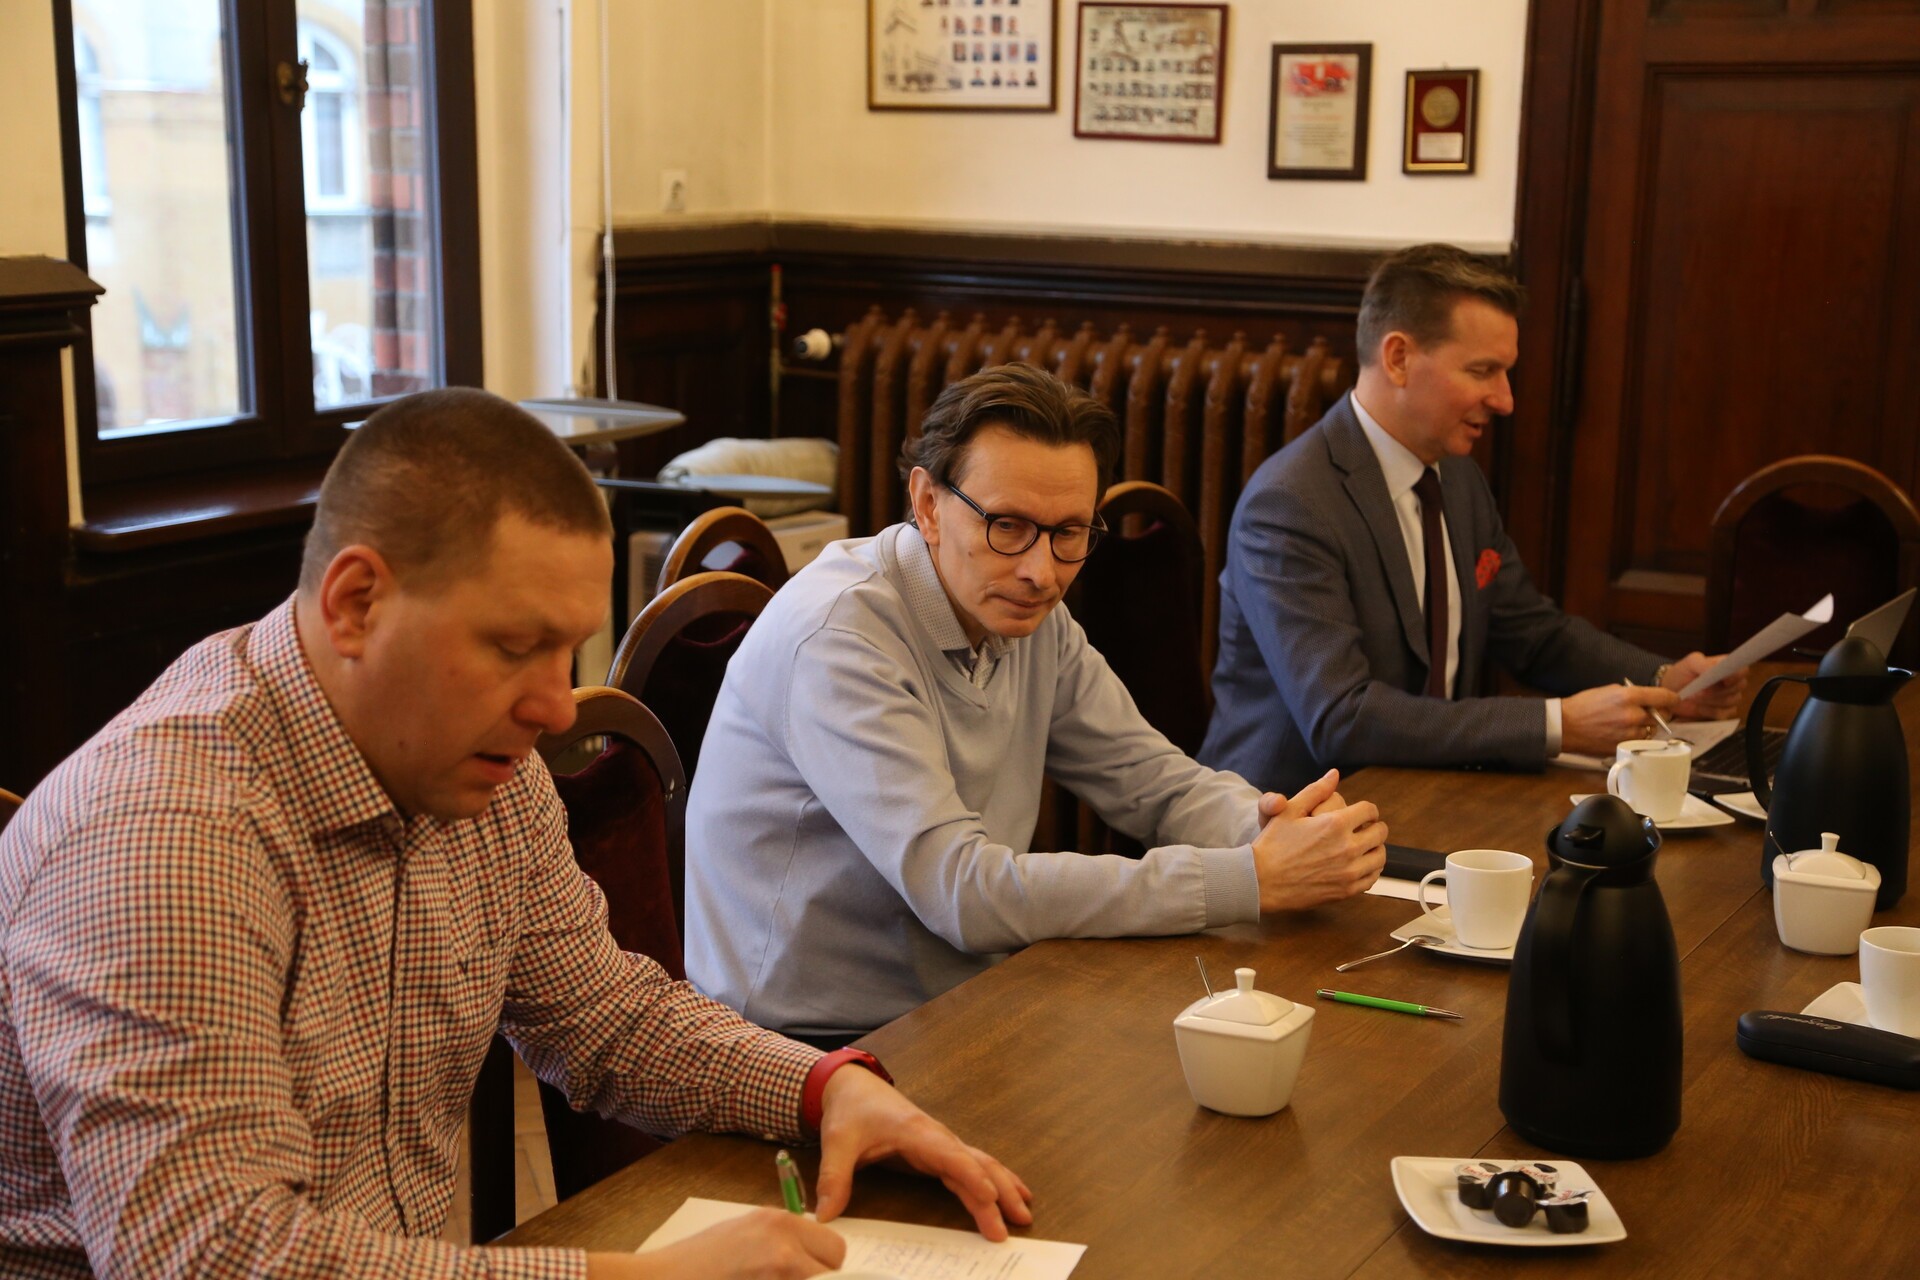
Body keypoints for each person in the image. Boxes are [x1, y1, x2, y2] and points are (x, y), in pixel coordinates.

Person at [0, 389, 1031, 1280]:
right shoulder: (166, 840)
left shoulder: (474, 768)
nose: (554, 705)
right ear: (356, 602)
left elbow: (607, 1016)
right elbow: (215, 1256)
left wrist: (822, 1086)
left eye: (567, 649)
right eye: (514, 646)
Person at [682, 364, 1389, 1044]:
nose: (1041, 573)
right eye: (1008, 527)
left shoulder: (1026, 614)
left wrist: (1269, 829)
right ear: (928, 505)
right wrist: (1250, 877)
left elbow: (1154, 782)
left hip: (965, 999)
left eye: (1068, 533)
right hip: (800, 1043)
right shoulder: (839, 637)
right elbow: (963, 893)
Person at [1199, 243, 1745, 793]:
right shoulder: (1290, 504)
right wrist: (1558, 725)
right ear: (1398, 358)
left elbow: (1531, 633)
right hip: (1286, 813)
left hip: (1421, 790)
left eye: (1505, 373)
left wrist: (1664, 681)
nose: (1505, 400)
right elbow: (1344, 718)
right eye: (1483, 371)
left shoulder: (1456, 476)